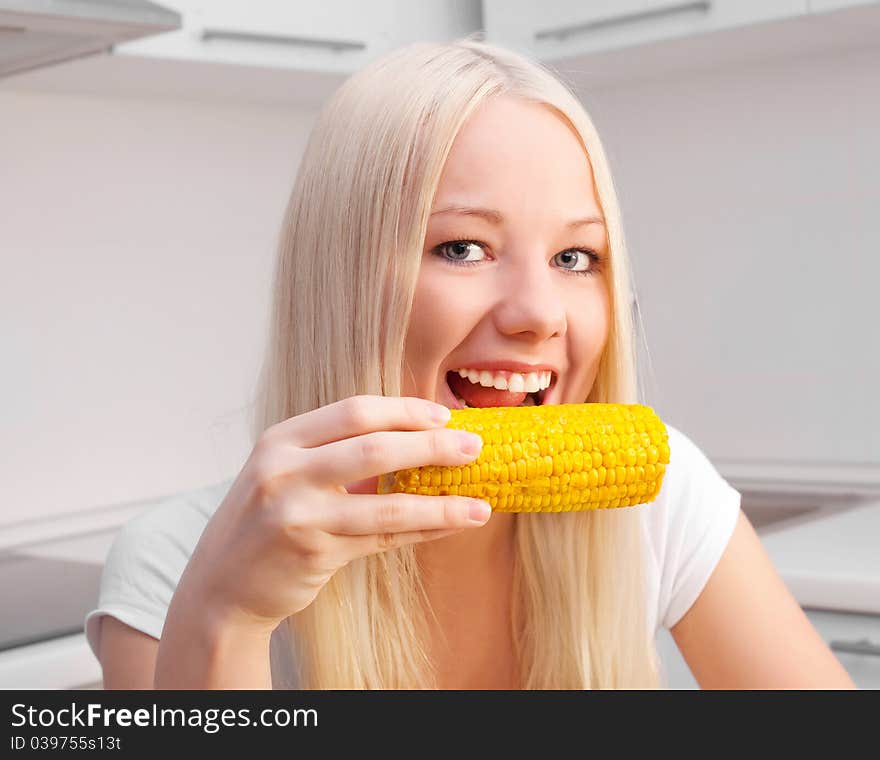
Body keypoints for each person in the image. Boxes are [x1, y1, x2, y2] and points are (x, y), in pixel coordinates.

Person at [84, 35, 855, 690]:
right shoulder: (182, 564)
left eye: (575, 256)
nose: (538, 313)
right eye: (462, 247)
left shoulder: (660, 503)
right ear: (339, 282)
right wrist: (227, 618)